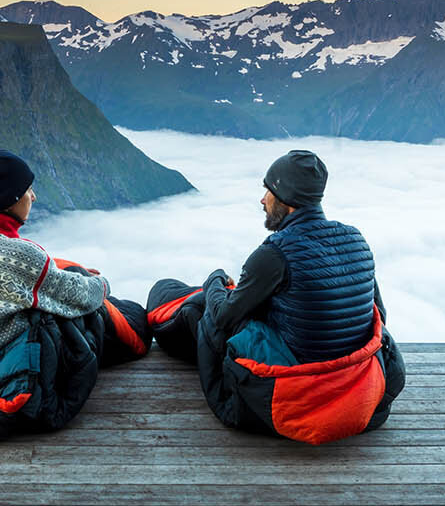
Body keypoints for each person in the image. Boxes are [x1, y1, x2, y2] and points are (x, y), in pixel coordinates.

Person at [145, 149, 404, 445]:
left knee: (200, 308)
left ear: (285, 198)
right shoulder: (356, 239)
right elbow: (378, 314)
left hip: (297, 382)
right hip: (354, 378)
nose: (262, 199)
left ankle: (162, 309)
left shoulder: (274, 253)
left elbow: (223, 318)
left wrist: (215, 278)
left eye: (267, 190)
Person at [0, 149, 152, 444]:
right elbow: (81, 297)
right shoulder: (24, 255)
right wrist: (102, 282)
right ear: (11, 200)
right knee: (92, 314)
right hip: (1, 373)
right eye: (27, 190)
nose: (33, 197)